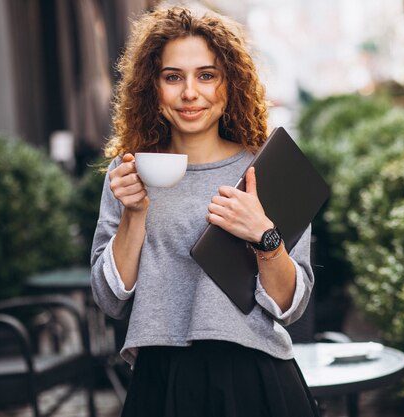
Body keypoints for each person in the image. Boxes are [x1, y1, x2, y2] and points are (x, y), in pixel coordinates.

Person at [91, 6, 319, 417]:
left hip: (255, 375)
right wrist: (135, 213)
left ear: (230, 84)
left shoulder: (266, 171)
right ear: (152, 87)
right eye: (173, 76)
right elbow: (109, 299)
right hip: (161, 380)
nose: (190, 92)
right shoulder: (129, 173)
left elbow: (291, 305)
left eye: (207, 75)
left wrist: (264, 235)